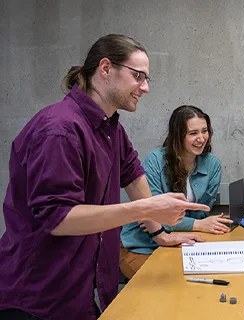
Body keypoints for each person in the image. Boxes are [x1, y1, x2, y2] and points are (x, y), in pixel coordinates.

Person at [0, 34, 210, 320]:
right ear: (106, 68)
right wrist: (146, 209)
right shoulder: (60, 130)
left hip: (82, 292)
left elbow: (134, 178)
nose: (145, 88)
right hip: (39, 297)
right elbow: (59, 218)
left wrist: (160, 234)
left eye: (147, 78)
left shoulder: (111, 128)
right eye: (138, 76)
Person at [120, 105, 230, 279]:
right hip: (141, 245)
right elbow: (155, 215)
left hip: (182, 242)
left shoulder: (212, 164)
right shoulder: (155, 160)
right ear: (178, 136)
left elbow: (201, 213)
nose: (201, 138)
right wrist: (197, 225)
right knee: (162, 290)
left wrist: (179, 223)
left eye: (205, 131)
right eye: (193, 133)